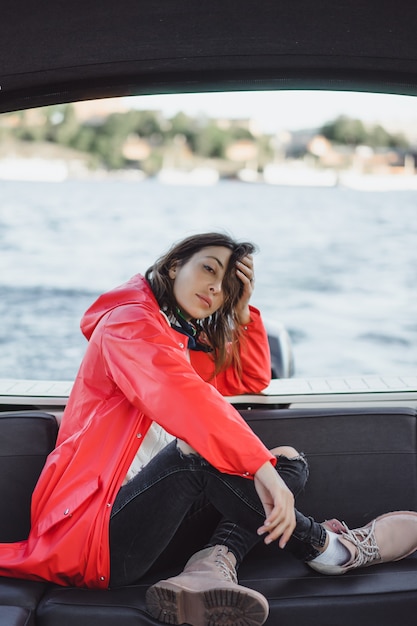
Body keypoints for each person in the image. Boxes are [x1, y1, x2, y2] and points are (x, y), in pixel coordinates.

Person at [1, 232, 417, 626]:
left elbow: (249, 379)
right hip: (100, 538)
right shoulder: (128, 324)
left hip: (154, 525)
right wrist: (259, 469)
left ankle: (210, 564)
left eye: (227, 283)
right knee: (204, 456)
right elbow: (182, 395)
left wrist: (241, 309)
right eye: (208, 269)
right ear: (172, 267)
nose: (215, 287)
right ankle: (330, 551)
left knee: (288, 461)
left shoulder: (175, 336)